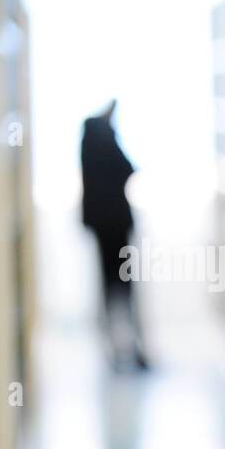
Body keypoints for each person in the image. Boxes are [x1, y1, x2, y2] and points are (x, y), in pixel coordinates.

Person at [81, 99, 148, 370]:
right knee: (123, 290)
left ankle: (120, 349)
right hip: (116, 229)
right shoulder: (103, 138)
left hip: (105, 228)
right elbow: (127, 168)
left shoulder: (90, 141)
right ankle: (128, 349)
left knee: (111, 290)